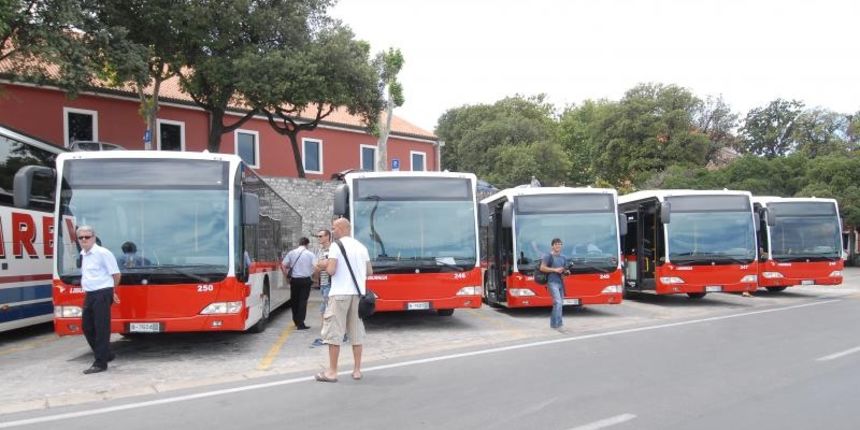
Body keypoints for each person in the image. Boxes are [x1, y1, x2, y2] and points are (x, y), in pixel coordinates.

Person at [314, 218, 372, 383]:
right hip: (357, 295)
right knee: (356, 333)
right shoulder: (361, 247)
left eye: (333, 228)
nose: (332, 231)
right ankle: (357, 370)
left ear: (340, 228)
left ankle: (332, 372)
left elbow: (332, 270)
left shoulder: (335, 246)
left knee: (334, 333)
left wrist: (323, 264)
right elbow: (369, 271)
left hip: (339, 294)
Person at [77, 226, 121, 374]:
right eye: (81, 237)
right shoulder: (83, 254)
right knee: (87, 326)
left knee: (101, 328)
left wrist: (112, 291)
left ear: (94, 238)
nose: (84, 240)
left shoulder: (103, 253)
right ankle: (106, 354)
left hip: (102, 293)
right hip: (90, 293)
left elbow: (116, 274)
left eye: (87, 237)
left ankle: (100, 363)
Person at [282, 237, 316, 330]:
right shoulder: (310, 254)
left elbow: (283, 265)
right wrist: (313, 276)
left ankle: (296, 321)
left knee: (294, 300)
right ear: (307, 244)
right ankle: (301, 323)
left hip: (294, 280)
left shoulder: (292, 253)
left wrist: (287, 277)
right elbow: (315, 266)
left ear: (299, 243)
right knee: (303, 301)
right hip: (306, 280)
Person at [540, 238, 568, 330]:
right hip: (552, 282)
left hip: (561, 282)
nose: (558, 246)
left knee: (559, 304)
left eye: (560, 244)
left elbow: (565, 270)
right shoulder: (548, 256)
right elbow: (542, 268)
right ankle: (558, 325)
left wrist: (567, 272)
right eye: (556, 244)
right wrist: (554, 270)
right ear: (552, 246)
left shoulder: (563, 257)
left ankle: (554, 324)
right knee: (558, 302)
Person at [311, 229, 332, 347]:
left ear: (327, 236)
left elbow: (328, 265)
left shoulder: (332, 249)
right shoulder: (320, 251)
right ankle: (326, 335)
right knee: (324, 310)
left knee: (326, 310)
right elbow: (317, 267)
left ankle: (328, 335)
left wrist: (321, 264)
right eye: (318, 236)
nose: (319, 238)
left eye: (320, 236)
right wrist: (321, 264)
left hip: (330, 283)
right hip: (323, 283)